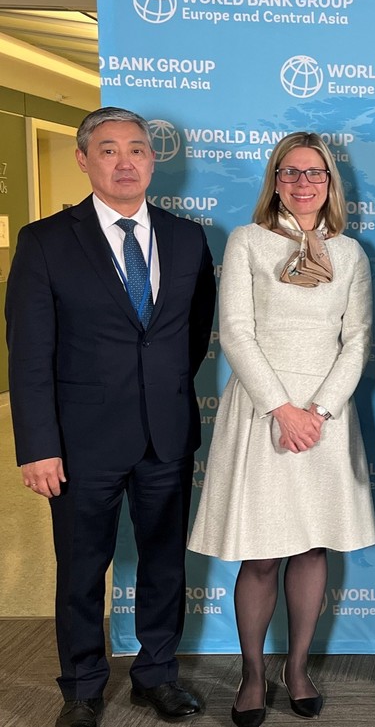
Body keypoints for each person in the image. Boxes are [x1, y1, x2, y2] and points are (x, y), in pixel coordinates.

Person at [5, 107, 216, 727]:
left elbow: (190, 334)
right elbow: (29, 354)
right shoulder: (45, 241)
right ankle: (81, 687)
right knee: (81, 569)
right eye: (108, 150)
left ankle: (157, 675)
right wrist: (37, 445)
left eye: (137, 149)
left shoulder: (187, 238)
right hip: (79, 442)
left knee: (165, 563)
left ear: (153, 160)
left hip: (165, 434)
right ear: (83, 159)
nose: (125, 162)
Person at [187, 132, 375, 727]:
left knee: (312, 545)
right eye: (290, 172)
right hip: (261, 411)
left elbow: (357, 341)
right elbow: (236, 333)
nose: (302, 183)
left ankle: (297, 669)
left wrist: (318, 411)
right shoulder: (247, 241)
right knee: (262, 554)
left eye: (314, 173)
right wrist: (283, 410)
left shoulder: (350, 253)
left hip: (326, 417)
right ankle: (251, 674)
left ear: (330, 183)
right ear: (275, 180)